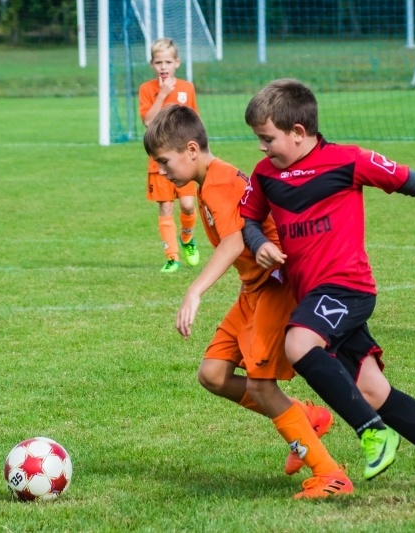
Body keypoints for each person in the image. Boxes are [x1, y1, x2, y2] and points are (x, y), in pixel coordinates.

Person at [240, 78, 415, 498]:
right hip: (314, 296)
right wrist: (260, 243)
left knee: (298, 343)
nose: (262, 148)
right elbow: (248, 221)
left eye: (267, 138)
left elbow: (410, 180)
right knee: (372, 390)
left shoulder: (347, 161)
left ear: (298, 132)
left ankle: (373, 433)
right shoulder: (265, 175)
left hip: (347, 287)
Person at [143, 104, 352, 500]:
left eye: (164, 162)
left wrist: (195, 290)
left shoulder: (220, 182)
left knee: (260, 384)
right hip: (252, 290)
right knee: (213, 375)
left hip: (275, 287)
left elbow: (236, 239)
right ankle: (306, 417)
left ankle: (330, 475)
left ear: (191, 149)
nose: (163, 172)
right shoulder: (209, 181)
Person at [139, 38, 200, 273]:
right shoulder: (147, 89)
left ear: (177, 63)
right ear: (152, 64)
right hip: (159, 161)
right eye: (158, 62)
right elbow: (147, 121)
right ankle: (172, 257)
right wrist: (162, 94)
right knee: (165, 207)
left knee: (187, 204)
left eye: (167, 61)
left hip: (184, 159)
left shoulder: (187, 88)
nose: (163, 67)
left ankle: (187, 239)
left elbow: (194, 121)